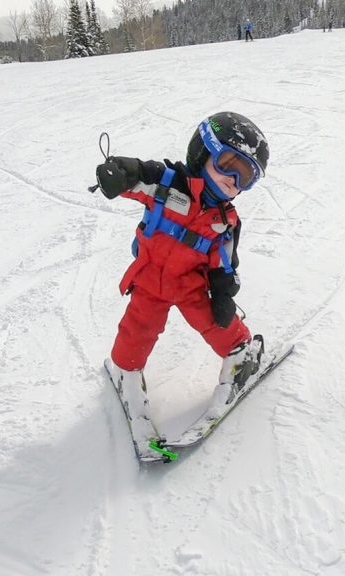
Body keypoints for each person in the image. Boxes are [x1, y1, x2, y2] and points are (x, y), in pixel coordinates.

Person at [94, 112, 270, 450]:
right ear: (202, 151)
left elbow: (224, 262)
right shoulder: (168, 183)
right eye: (228, 163)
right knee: (136, 332)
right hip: (149, 282)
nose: (233, 179)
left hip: (191, 287)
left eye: (245, 176)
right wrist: (119, 174)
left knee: (217, 324)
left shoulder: (225, 221)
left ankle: (241, 357)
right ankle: (125, 373)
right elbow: (138, 174)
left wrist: (223, 293)